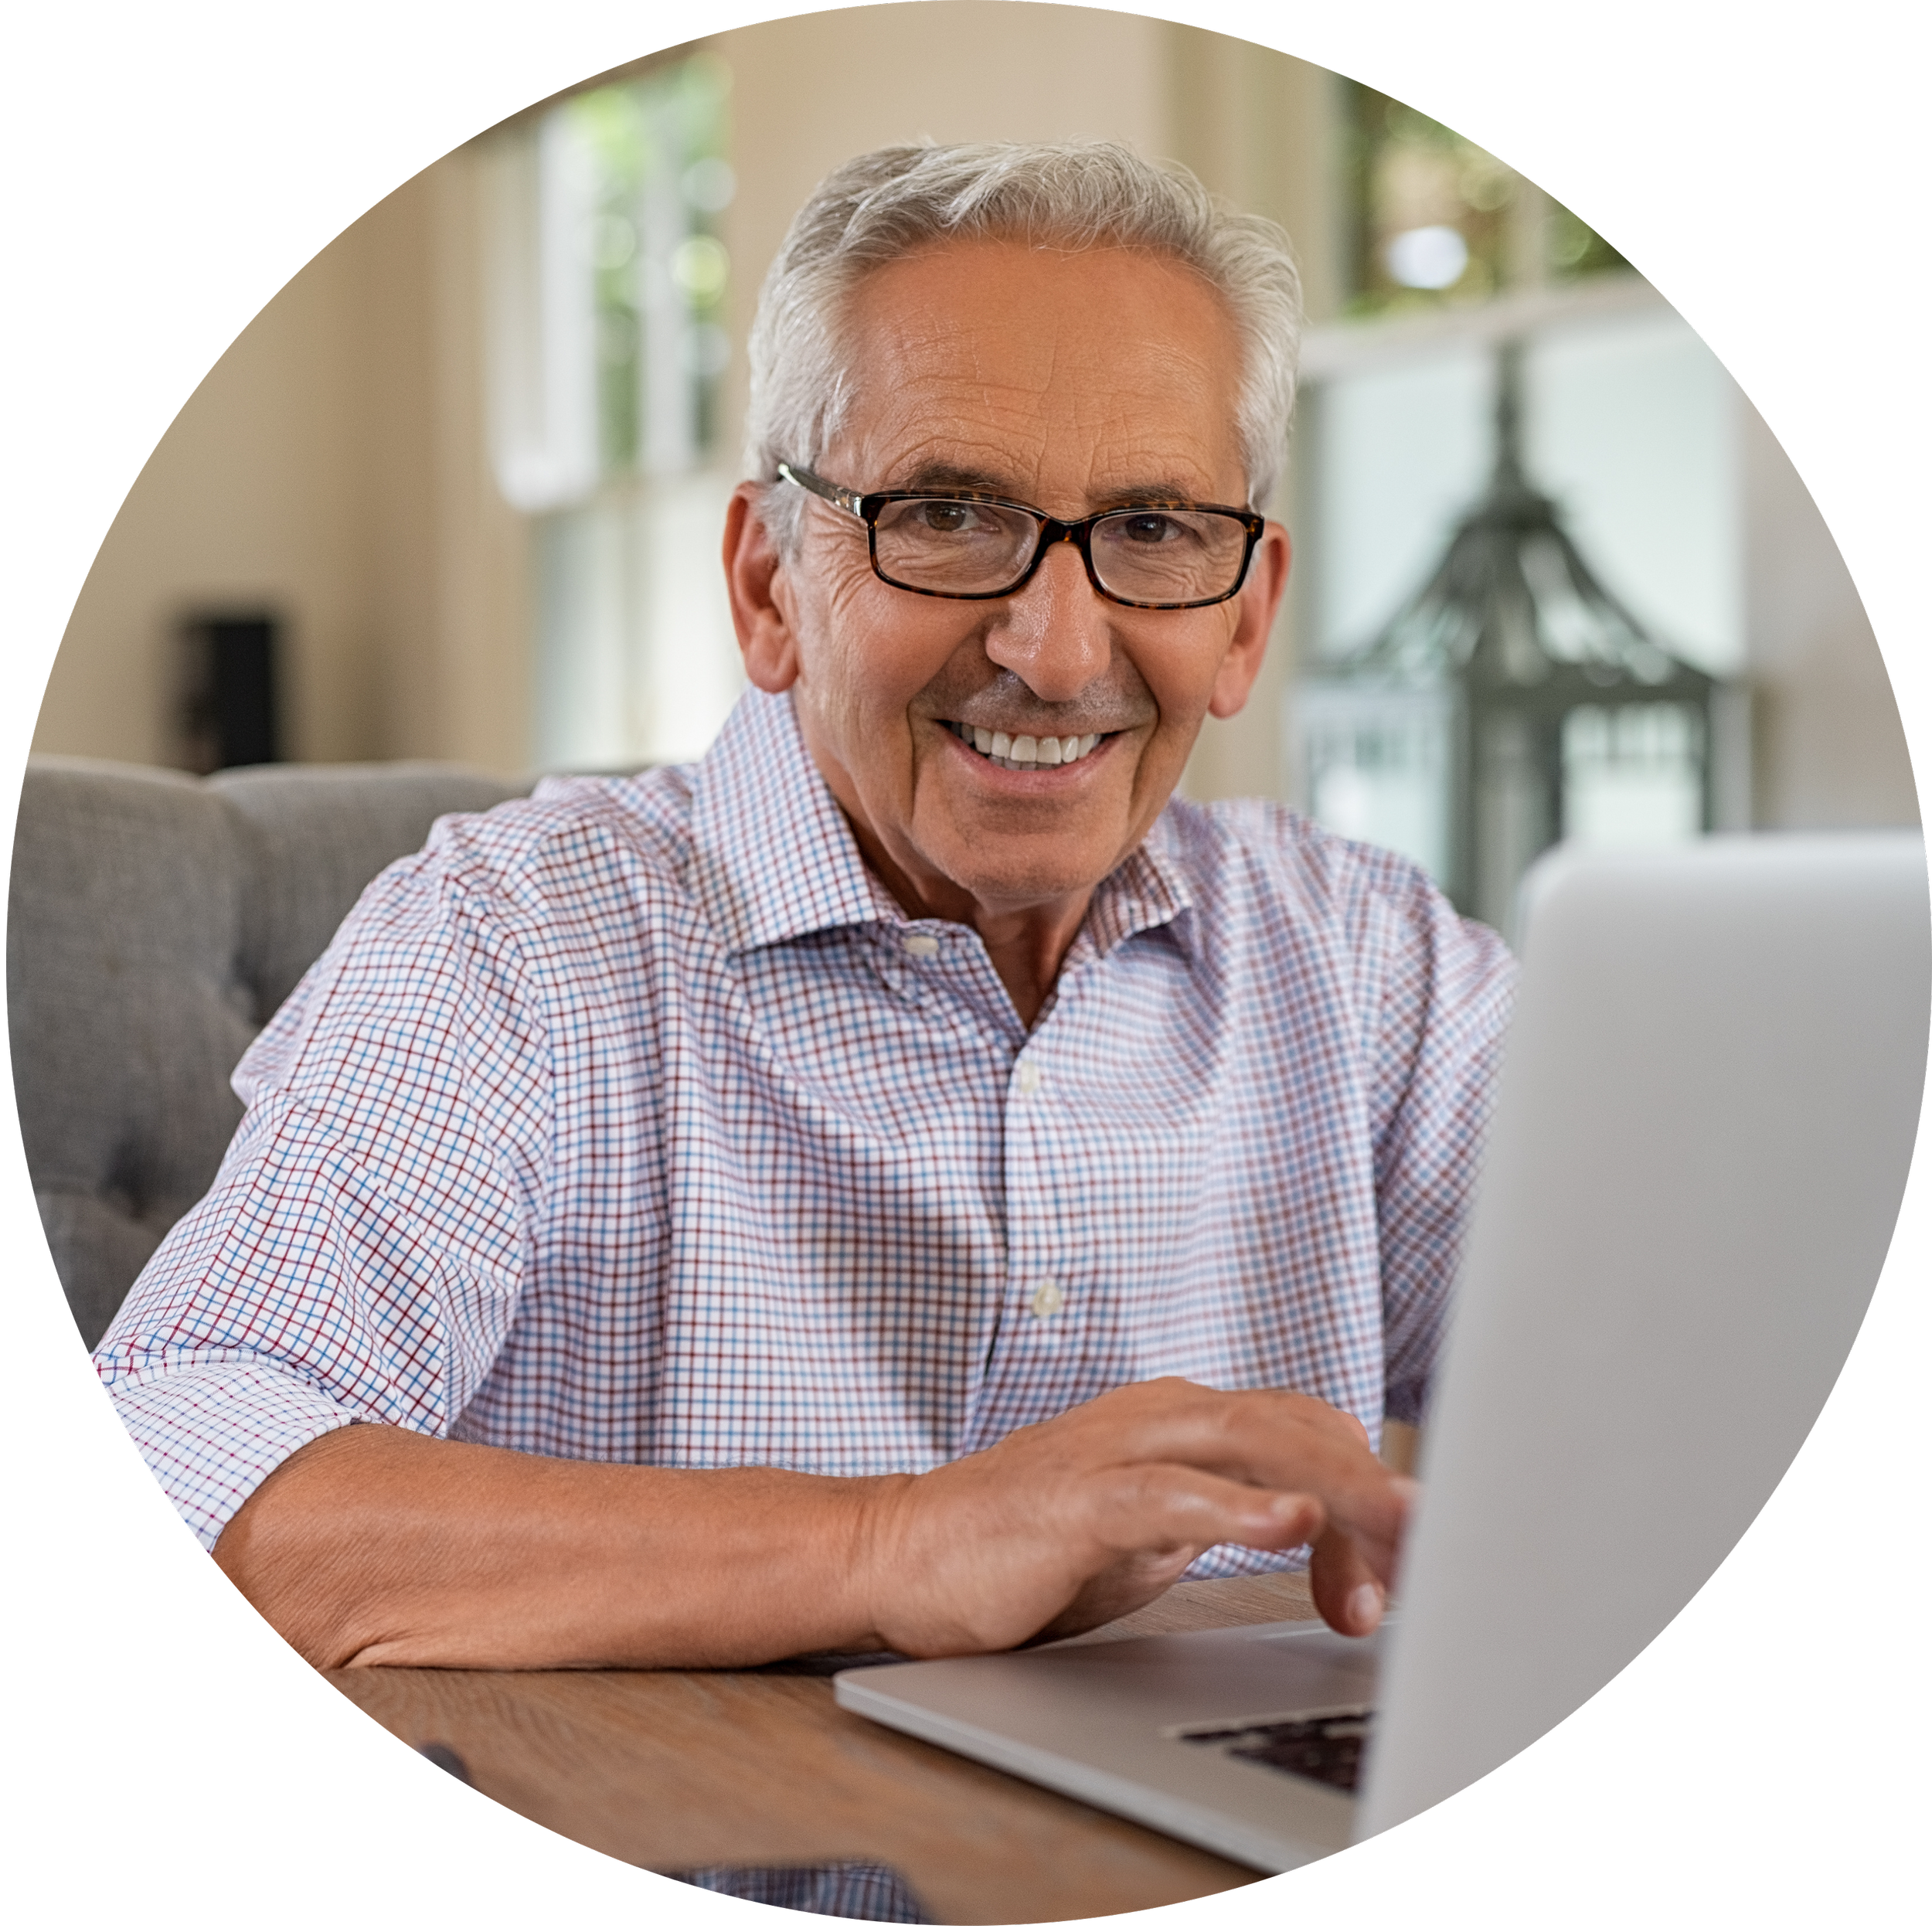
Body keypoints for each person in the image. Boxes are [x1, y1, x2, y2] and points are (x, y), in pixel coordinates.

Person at [94, 143, 1512, 1691]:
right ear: (768, 583)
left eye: (1155, 530)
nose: (1050, 648)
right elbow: (195, 1460)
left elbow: (1704, 1369)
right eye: (948, 512)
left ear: (1242, 615)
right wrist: (899, 1542)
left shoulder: (1372, 963)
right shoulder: (508, 936)